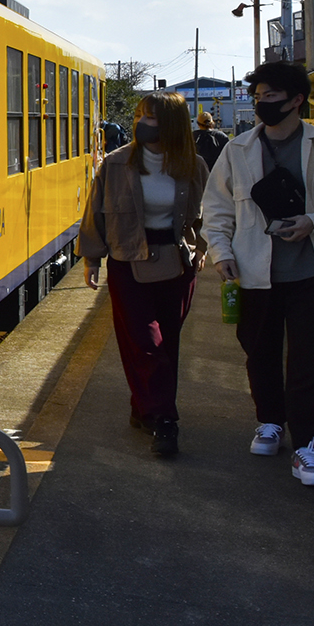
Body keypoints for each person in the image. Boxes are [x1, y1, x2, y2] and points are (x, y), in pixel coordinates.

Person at [203, 61, 314, 487]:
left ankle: (307, 446)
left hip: (313, 273)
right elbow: (217, 211)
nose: (262, 103)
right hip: (254, 273)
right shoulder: (237, 151)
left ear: (297, 100)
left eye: (271, 96)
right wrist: (220, 252)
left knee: (308, 362)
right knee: (259, 352)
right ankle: (270, 422)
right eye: (258, 96)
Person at [80, 91, 206, 456]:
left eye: (150, 118)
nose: (142, 124)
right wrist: (91, 259)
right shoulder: (117, 164)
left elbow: (207, 214)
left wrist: (203, 249)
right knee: (145, 342)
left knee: (168, 342)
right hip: (127, 259)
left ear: (170, 124)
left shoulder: (193, 165)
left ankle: (144, 408)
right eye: (141, 116)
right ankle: (166, 420)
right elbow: (96, 212)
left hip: (176, 263)